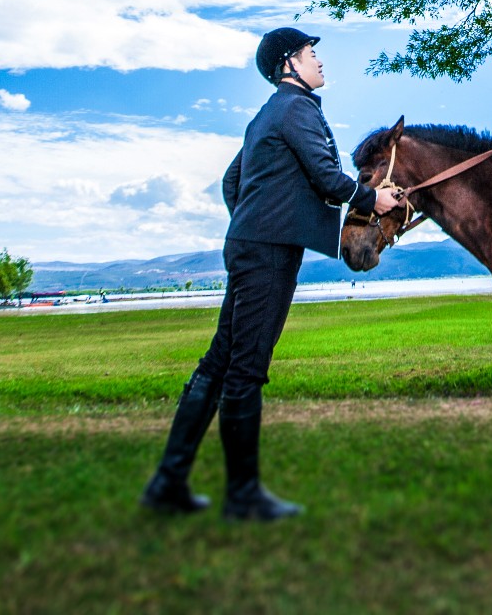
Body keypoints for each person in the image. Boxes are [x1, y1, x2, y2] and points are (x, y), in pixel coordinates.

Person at [140, 27, 403, 521]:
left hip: (248, 245)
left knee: (220, 361)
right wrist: (376, 198)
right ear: (289, 63)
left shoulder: (268, 114)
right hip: (267, 253)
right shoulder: (297, 109)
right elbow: (328, 178)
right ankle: (242, 496)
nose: (319, 61)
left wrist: (251, 220)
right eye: (311, 53)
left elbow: (232, 181)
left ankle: (168, 482)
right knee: (244, 368)